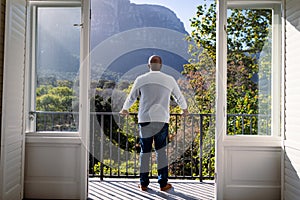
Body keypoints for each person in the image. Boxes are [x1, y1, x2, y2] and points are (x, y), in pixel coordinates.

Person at [119, 55, 188, 192]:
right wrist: (184, 109)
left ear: (149, 66)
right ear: (161, 66)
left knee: (145, 152)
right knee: (161, 152)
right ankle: (163, 184)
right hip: (162, 120)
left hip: (145, 120)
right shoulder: (169, 79)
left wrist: (125, 109)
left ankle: (143, 184)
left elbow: (131, 97)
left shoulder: (141, 79)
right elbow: (179, 97)